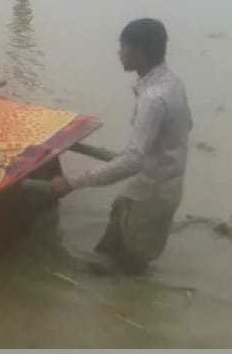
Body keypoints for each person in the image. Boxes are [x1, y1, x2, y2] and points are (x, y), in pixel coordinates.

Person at [51, 18, 192, 273]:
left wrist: (71, 182)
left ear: (138, 51)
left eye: (122, 47)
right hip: (158, 185)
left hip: (152, 195)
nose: (119, 54)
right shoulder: (172, 83)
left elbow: (132, 161)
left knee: (128, 271)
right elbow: (183, 129)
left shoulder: (153, 98)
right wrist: (138, 156)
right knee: (107, 249)